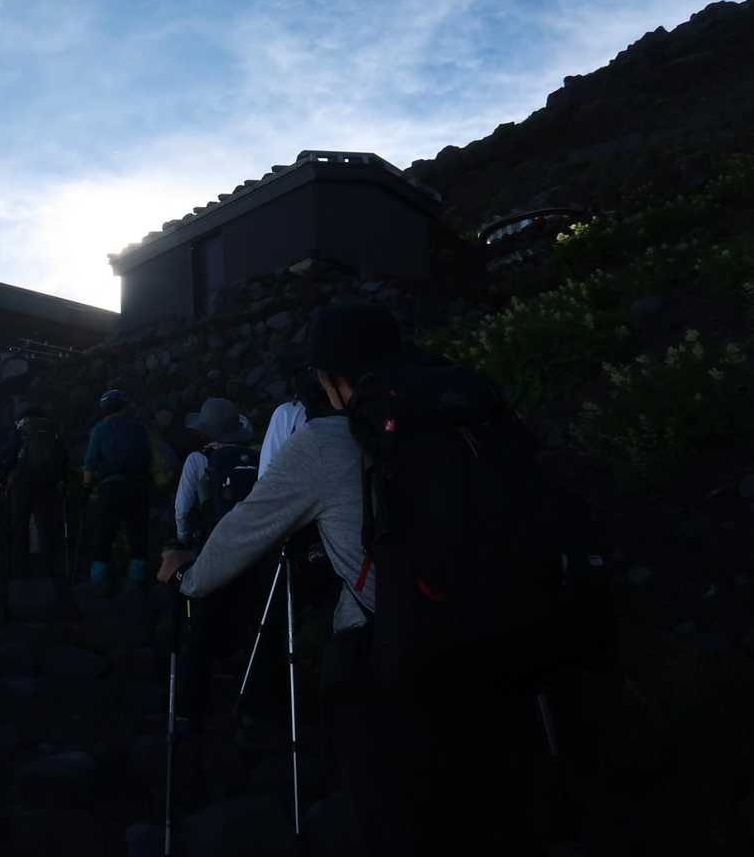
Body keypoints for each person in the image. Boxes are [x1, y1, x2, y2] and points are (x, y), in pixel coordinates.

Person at [157, 303, 533, 855]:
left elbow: (241, 533)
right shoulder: (466, 415)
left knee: (398, 806)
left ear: (329, 378)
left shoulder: (325, 441)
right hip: (511, 626)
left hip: (403, 641)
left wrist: (187, 576)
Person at [82, 389, 153, 589]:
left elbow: (90, 463)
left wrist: (86, 488)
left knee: (104, 535)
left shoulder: (99, 430)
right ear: (124, 405)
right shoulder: (138, 428)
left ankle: (100, 581)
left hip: (109, 488)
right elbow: (147, 458)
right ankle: (137, 581)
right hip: (136, 487)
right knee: (137, 534)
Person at [172, 398, 259, 546]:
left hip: (217, 541)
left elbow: (182, 511)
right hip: (256, 535)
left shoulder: (197, 459)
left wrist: (183, 539)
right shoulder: (254, 455)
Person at [4, 402, 68, 578]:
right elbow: (62, 456)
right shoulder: (51, 430)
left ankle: (20, 572)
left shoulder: (21, 428)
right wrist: (60, 478)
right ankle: (48, 570)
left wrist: (3, 476)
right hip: (47, 483)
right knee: (45, 525)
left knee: (20, 526)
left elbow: (10, 455)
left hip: (23, 483)